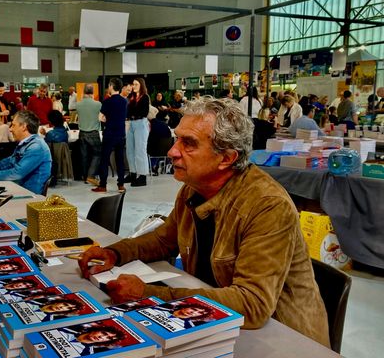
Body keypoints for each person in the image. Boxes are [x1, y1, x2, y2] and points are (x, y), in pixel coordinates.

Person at [79, 97, 329, 347]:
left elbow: (253, 304)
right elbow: (163, 239)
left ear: (226, 158)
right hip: (216, 325)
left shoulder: (267, 205)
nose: (172, 151)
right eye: (177, 139)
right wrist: (115, 252)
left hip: (285, 339)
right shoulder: (194, 189)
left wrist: (150, 294)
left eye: (188, 144)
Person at [92, 78, 128, 193]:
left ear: (112, 86)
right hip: (121, 133)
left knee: (104, 159)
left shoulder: (107, 101)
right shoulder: (124, 101)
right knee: (120, 159)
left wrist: (107, 119)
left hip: (109, 133)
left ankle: (103, 185)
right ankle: (121, 185)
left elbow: (100, 117)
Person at [125, 78, 151, 187]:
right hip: (131, 123)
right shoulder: (131, 97)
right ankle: (133, 173)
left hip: (141, 123)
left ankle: (142, 176)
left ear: (141, 85)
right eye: (133, 84)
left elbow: (143, 112)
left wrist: (132, 112)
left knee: (140, 151)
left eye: (136, 84)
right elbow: (127, 111)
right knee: (130, 150)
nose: (134, 86)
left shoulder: (145, 97)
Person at [76, 83, 102, 185]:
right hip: (93, 132)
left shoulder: (78, 104)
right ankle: (91, 176)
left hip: (82, 133)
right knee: (97, 154)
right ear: (93, 92)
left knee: (84, 156)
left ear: (83, 91)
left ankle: (85, 177)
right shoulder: (98, 104)